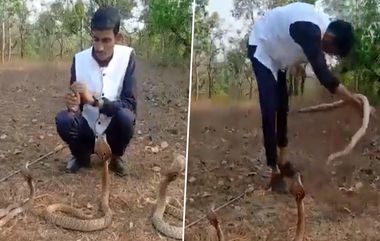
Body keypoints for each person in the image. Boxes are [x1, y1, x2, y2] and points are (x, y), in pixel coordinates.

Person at [247, 2, 373, 193]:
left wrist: (297, 64)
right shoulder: (310, 30)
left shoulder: (321, 29)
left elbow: (303, 54)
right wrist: (355, 103)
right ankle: (272, 170)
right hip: (262, 46)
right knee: (269, 107)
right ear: (330, 37)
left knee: (282, 106)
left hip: (279, 58)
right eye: (332, 51)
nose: (329, 54)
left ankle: (284, 158)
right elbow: (325, 77)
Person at [55, 6, 137, 176]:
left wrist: (94, 101)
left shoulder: (127, 57)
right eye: (96, 39)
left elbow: (129, 104)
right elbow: (75, 102)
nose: (99, 47)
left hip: (113, 127)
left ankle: (115, 156)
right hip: (87, 126)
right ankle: (81, 156)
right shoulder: (79, 59)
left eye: (106, 40)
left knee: (126, 117)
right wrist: (73, 104)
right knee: (64, 119)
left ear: (118, 37)